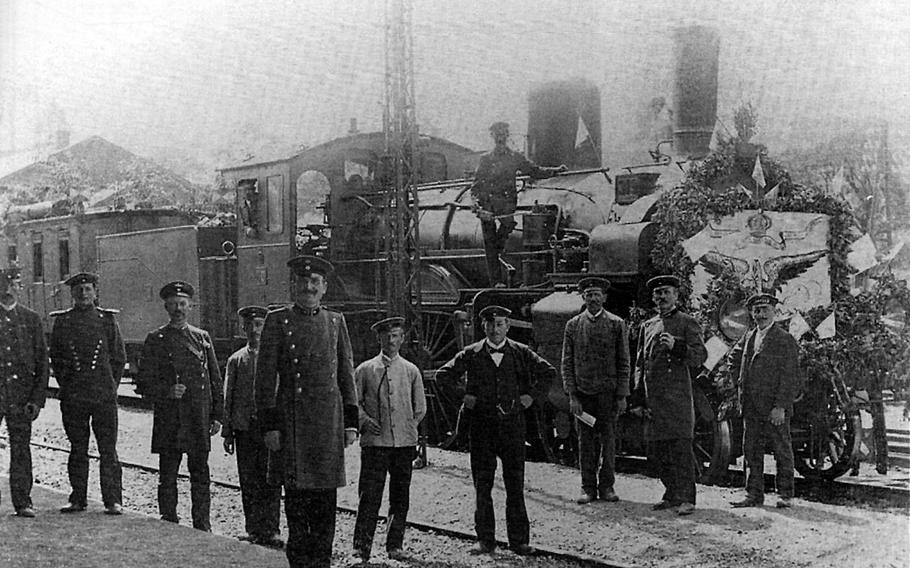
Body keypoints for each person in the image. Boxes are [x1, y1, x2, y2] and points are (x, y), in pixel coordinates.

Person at [256, 255, 358, 568]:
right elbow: (264, 378)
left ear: (324, 287)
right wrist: (270, 424)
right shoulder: (277, 320)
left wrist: (351, 423)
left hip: (327, 424)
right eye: (303, 281)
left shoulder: (335, 321)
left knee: (326, 505)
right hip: (292, 423)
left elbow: (346, 373)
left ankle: (322, 563)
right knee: (298, 508)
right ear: (293, 284)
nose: (308, 286)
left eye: (315, 282)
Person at [435, 305, 556, 556]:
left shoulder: (521, 353)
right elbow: (442, 375)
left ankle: (519, 541)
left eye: (500, 324)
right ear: (483, 327)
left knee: (515, 486)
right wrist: (464, 397)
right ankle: (485, 541)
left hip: (513, 429)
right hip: (481, 429)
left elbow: (548, 372)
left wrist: (531, 397)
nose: (495, 329)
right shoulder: (471, 353)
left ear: (508, 326)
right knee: (483, 486)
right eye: (490, 325)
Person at [135, 281, 223, 531]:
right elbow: (143, 384)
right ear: (166, 306)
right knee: (168, 474)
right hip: (170, 417)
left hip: (197, 416)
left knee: (200, 474)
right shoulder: (156, 339)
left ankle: (202, 523)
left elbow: (215, 379)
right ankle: (169, 519)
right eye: (173, 304)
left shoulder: (202, 338)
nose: (178, 309)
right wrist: (166, 391)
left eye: (182, 304)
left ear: (190, 306)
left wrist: (217, 415)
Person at [49, 272, 126, 515]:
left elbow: (118, 358)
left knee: (108, 449)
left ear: (95, 292)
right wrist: (68, 385)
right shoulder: (63, 322)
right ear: (72, 294)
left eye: (88, 289)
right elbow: (58, 359)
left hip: (103, 396)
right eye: (79, 290)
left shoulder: (107, 320)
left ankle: (112, 500)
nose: (83, 294)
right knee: (77, 448)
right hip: (74, 397)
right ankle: (78, 498)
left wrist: (111, 387)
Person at [352, 316, 427, 563]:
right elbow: (354, 403)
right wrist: (365, 422)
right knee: (370, 496)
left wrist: (407, 428)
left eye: (396, 336)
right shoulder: (365, 370)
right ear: (379, 339)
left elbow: (420, 408)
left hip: (403, 445)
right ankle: (361, 547)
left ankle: (395, 545)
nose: (391, 341)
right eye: (386, 336)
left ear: (402, 339)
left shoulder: (410, 371)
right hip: (375, 444)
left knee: (400, 496)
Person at [632, 275, 707, 516]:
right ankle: (671, 494)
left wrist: (677, 346)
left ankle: (687, 498)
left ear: (676, 295)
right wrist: (637, 398)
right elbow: (640, 363)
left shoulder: (687, 322)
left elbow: (700, 356)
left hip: (677, 397)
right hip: (654, 398)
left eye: (666, 292)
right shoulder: (648, 325)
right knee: (657, 451)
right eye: (657, 293)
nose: (661, 297)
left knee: (680, 449)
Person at [470, 121, 567, 287]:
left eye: (503, 133)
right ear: (493, 136)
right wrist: (478, 209)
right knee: (490, 246)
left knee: (506, 229)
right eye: (497, 134)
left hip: (507, 206)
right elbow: (476, 187)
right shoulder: (485, 159)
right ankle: (496, 282)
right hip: (488, 207)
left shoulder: (515, 158)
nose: (501, 137)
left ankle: (500, 254)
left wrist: (555, 171)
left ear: (507, 135)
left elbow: (534, 170)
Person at [561, 277, 631, 504]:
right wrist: (572, 395)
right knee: (585, 443)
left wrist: (621, 395)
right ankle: (587, 488)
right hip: (583, 396)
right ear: (583, 297)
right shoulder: (573, 325)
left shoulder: (616, 324)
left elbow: (624, 362)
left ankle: (607, 487)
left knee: (609, 442)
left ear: (605, 298)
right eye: (589, 294)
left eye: (597, 294)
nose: (593, 298)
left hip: (607, 396)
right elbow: (567, 363)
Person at [728, 293, 800, 509]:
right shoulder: (750, 336)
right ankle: (753, 494)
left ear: (774, 312)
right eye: (756, 310)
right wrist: (739, 382)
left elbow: (791, 376)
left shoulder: (784, 339)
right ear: (751, 313)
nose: (760, 314)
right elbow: (734, 358)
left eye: (764, 310)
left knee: (781, 450)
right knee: (751, 451)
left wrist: (780, 406)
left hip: (773, 408)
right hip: (751, 406)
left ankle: (785, 495)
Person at [222, 305, 282, 547]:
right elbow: (229, 397)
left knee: (272, 480)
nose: (255, 331)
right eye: (250, 326)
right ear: (243, 328)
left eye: (259, 325)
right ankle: (253, 528)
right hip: (245, 429)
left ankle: (273, 529)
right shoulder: (236, 360)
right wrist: (227, 432)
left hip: (269, 429)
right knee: (249, 481)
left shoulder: (276, 359)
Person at [0, 266, 48, 518]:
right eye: (8, 285)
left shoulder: (30, 319)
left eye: (15, 284)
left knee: (21, 448)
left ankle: (23, 501)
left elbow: (42, 362)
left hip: (20, 396)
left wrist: (37, 399)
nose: (12, 289)